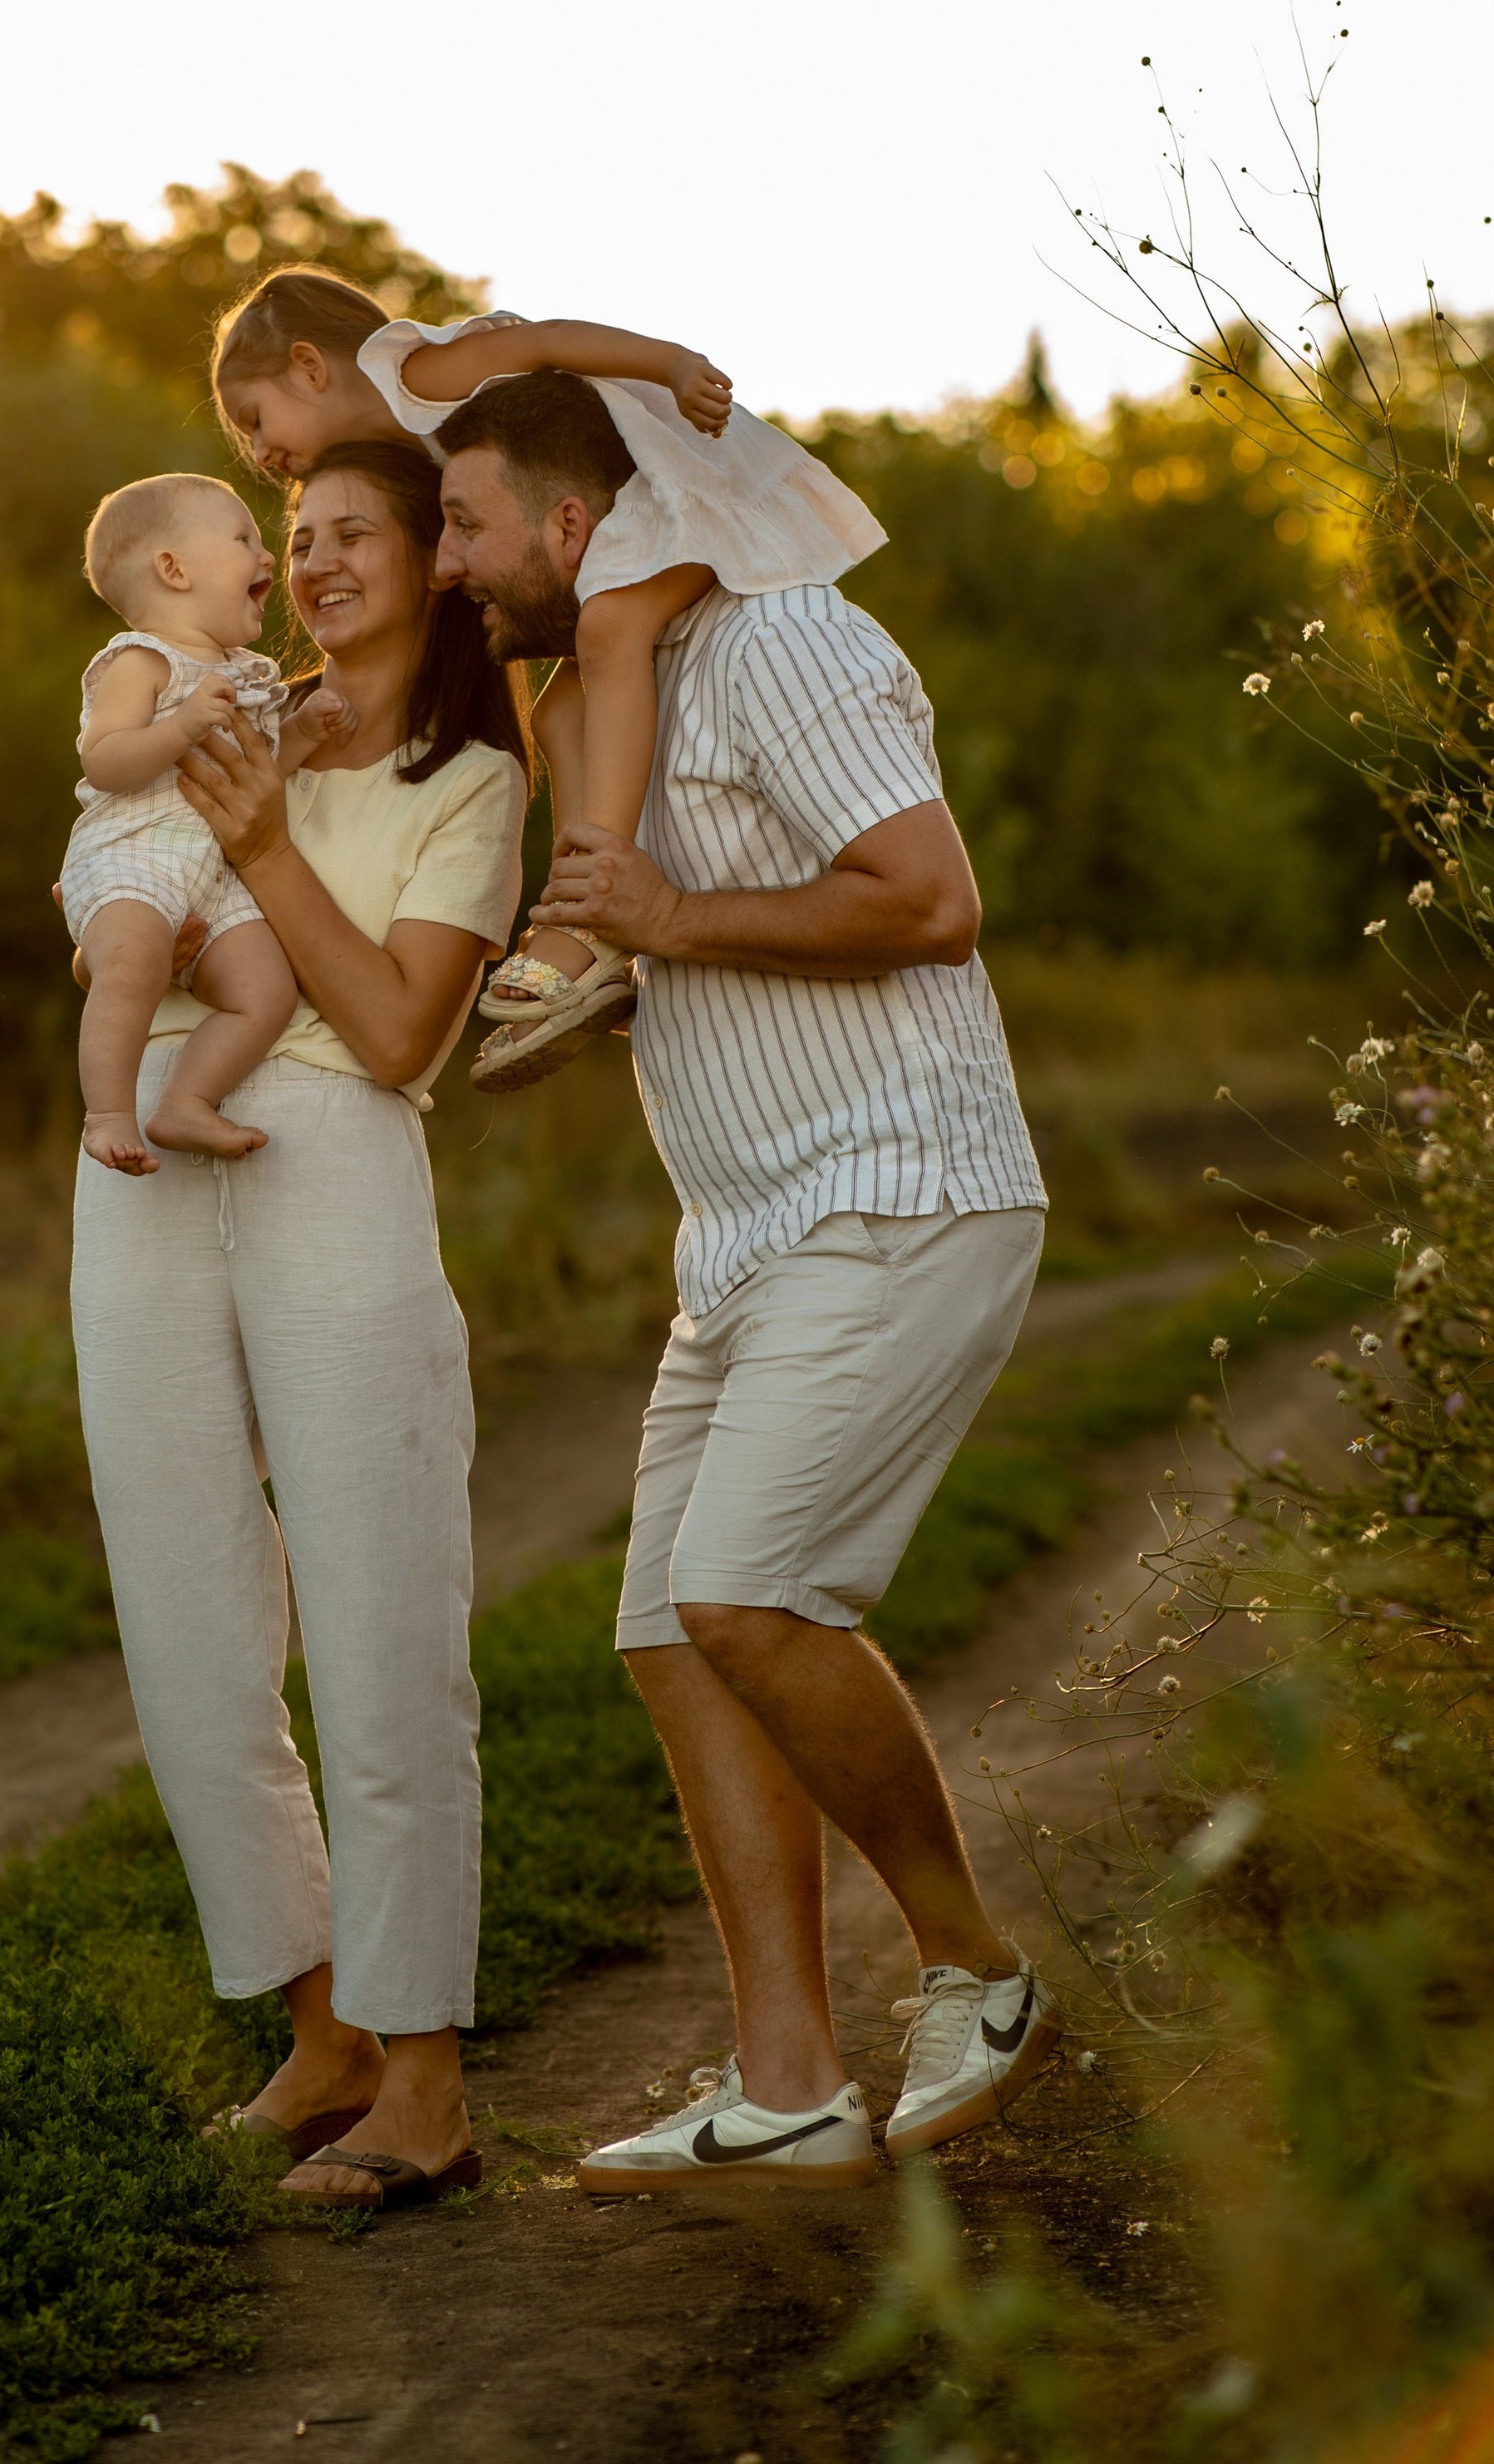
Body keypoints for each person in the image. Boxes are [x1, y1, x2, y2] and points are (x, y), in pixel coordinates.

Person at [430, 371, 1057, 2191]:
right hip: (746, 1238)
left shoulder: (781, 640)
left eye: (467, 525)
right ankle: (784, 2079)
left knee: (752, 1601)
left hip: (896, 1188)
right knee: (669, 1642)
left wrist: (661, 922)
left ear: (572, 524)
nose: (452, 562)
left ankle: (976, 1968)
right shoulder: (606, 701)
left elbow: (927, 901)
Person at [67, 438, 530, 2212]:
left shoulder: (469, 776)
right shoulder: (218, 704)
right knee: (184, 1613)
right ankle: (320, 2024)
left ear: (433, 563)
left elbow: (402, 1028)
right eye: (295, 536)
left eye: (354, 536)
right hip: (144, 1152)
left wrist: (255, 854)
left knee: (375, 1609)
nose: (316, 560)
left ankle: (422, 2074)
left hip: (334, 1145)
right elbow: (117, 889)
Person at [211, 262, 885, 1091]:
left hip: (679, 486)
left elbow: (546, 340)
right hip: (607, 504)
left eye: (255, 417)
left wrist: (668, 362)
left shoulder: (411, 375)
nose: (256, 449)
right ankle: (585, 934)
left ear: (310, 367)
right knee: (562, 710)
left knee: (611, 625)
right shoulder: (416, 452)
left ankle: (593, 916)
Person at [59, 472, 348, 1173]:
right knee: (130, 965)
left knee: (267, 991)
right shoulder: (141, 661)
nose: (269, 556)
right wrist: (181, 724)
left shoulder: (249, 675)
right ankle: (107, 1115)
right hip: (130, 856)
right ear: (173, 569)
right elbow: (103, 760)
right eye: (245, 538)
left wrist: (301, 735)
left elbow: (251, 783)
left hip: (212, 873)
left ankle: (187, 1100)